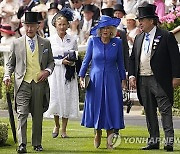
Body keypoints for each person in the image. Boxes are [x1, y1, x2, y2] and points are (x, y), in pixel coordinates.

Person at [129, 3, 180, 152]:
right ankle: (153, 141)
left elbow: (175, 58)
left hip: (160, 80)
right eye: (139, 20)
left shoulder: (166, 36)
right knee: (149, 111)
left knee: (165, 111)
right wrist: (132, 75)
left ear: (151, 21)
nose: (140, 23)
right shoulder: (138, 38)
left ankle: (169, 142)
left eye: (142, 20)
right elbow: (133, 59)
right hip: (143, 79)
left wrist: (177, 77)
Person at [3, 12, 55, 153]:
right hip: (22, 84)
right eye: (27, 26)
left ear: (38, 26)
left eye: (32, 26)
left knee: (38, 116)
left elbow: (51, 62)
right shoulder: (16, 43)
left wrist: (47, 71)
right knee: (22, 114)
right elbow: (10, 64)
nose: (29, 29)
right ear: (24, 27)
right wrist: (7, 76)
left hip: (39, 83)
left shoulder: (46, 43)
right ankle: (22, 144)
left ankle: (37, 143)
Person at [79, 15, 126, 149]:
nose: (105, 30)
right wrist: (81, 76)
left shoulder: (117, 42)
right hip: (96, 79)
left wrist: (123, 80)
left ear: (111, 29)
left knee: (111, 107)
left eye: (108, 28)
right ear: (99, 29)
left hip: (112, 79)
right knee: (97, 106)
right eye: (103, 28)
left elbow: (121, 63)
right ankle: (97, 132)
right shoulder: (93, 41)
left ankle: (110, 138)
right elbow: (86, 60)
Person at [44, 8, 80, 139]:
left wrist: (71, 62)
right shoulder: (50, 40)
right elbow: (48, 58)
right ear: (55, 25)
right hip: (55, 72)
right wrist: (60, 62)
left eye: (64, 24)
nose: (62, 27)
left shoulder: (73, 39)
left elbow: (76, 54)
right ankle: (56, 125)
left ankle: (64, 129)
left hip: (68, 73)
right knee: (56, 98)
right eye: (60, 24)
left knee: (67, 98)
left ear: (68, 25)